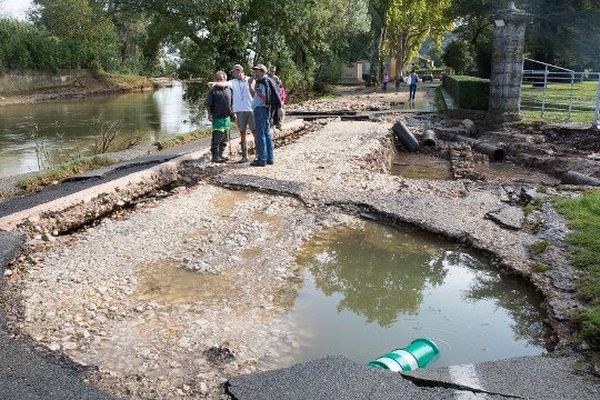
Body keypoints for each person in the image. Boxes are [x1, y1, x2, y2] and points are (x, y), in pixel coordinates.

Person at [205, 71, 233, 163]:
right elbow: (208, 104)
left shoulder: (229, 89)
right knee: (217, 139)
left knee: (225, 138)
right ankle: (215, 157)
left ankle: (221, 154)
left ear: (225, 80)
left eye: (221, 79)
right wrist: (209, 114)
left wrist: (234, 113)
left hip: (227, 118)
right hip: (217, 117)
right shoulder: (213, 90)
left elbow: (232, 103)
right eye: (217, 79)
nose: (219, 81)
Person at [250, 64, 275, 167]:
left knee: (261, 135)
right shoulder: (265, 81)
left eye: (257, 70)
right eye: (255, 70)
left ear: (262, 71)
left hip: (261, 109)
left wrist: (257, 90)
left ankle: (262, 159)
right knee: (267, 133)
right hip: (264, 109)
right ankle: (269, 158)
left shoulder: (263, 82)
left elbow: (265, 98)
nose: (255, 72)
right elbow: (255, 96)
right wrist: (252, 86)